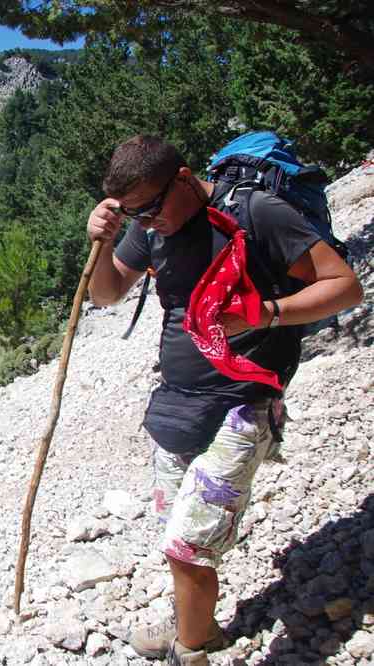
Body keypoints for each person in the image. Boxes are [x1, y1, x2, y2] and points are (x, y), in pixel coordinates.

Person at [85, 135, 363, 665]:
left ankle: (192, 650)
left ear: (185, 178)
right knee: (179, 538)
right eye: (133, 213)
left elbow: (345, 287)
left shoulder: (257, 212)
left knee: (185, 545)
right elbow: (105, 294)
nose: (146, 222)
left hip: (244, 402)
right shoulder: (150, 228)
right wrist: (100, 243)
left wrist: (266, 313)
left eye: (151, 207)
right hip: (177, 405)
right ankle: (200, 623)